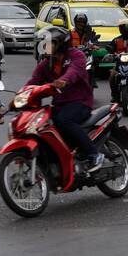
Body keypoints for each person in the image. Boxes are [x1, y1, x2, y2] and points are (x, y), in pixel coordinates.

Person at [27, 26, 103, 172]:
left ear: (60, 43)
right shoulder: (45, 64)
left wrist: (64, 80)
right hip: (60, 104)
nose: (44, 46)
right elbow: (34, 81)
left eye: (48, 43)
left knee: (63, 120)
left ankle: (93, 154)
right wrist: (21, 95)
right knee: (41, 123)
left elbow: (74, 71)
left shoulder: (77, 55)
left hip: (80, 102)